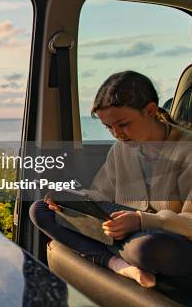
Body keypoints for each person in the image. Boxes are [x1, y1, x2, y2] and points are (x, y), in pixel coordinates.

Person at [30, 71, 192, 288]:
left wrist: (141, 220)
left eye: (123, 124)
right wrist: (69, 199)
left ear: (150, 110)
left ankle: (105, 252)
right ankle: (119, 265)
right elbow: (100, 196)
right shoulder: (121, 150)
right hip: (124, 232)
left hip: (171, 241)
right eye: (109, 127)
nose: (117, 134)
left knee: (145, 248)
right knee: (41, 210)